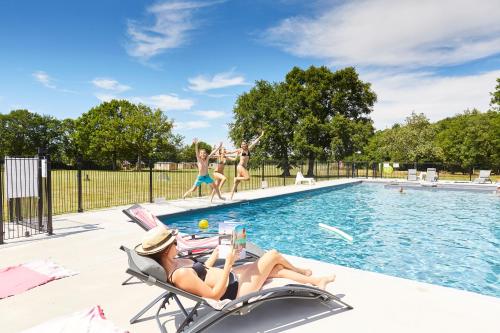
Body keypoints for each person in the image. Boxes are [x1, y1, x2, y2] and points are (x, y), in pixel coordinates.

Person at [135, 226, 336, 301]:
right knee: (273, 255)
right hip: (236, 289)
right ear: (166, 248)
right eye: (175, 243)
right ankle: (305, 273)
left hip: (230, 276)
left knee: (274, 269)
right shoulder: (179, 275)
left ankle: (316, 281)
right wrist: (229, 264)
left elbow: (203, 270)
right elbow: (214, 295)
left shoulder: (175, 263)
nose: (177, 244)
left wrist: (217, 253)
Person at [229, 130, 265, 200]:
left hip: (243, 168)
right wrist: (224, 153)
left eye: (244, 144)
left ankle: (231, 197)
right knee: (247, 178)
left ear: (246, 145)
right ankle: (236, 178)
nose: (243, 145)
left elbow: (255, 142)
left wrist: (261, 135)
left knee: (236, 183)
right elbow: (231, 152)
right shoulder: (240, 150)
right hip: (240, 166)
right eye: (242, 144)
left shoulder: (248, 150)